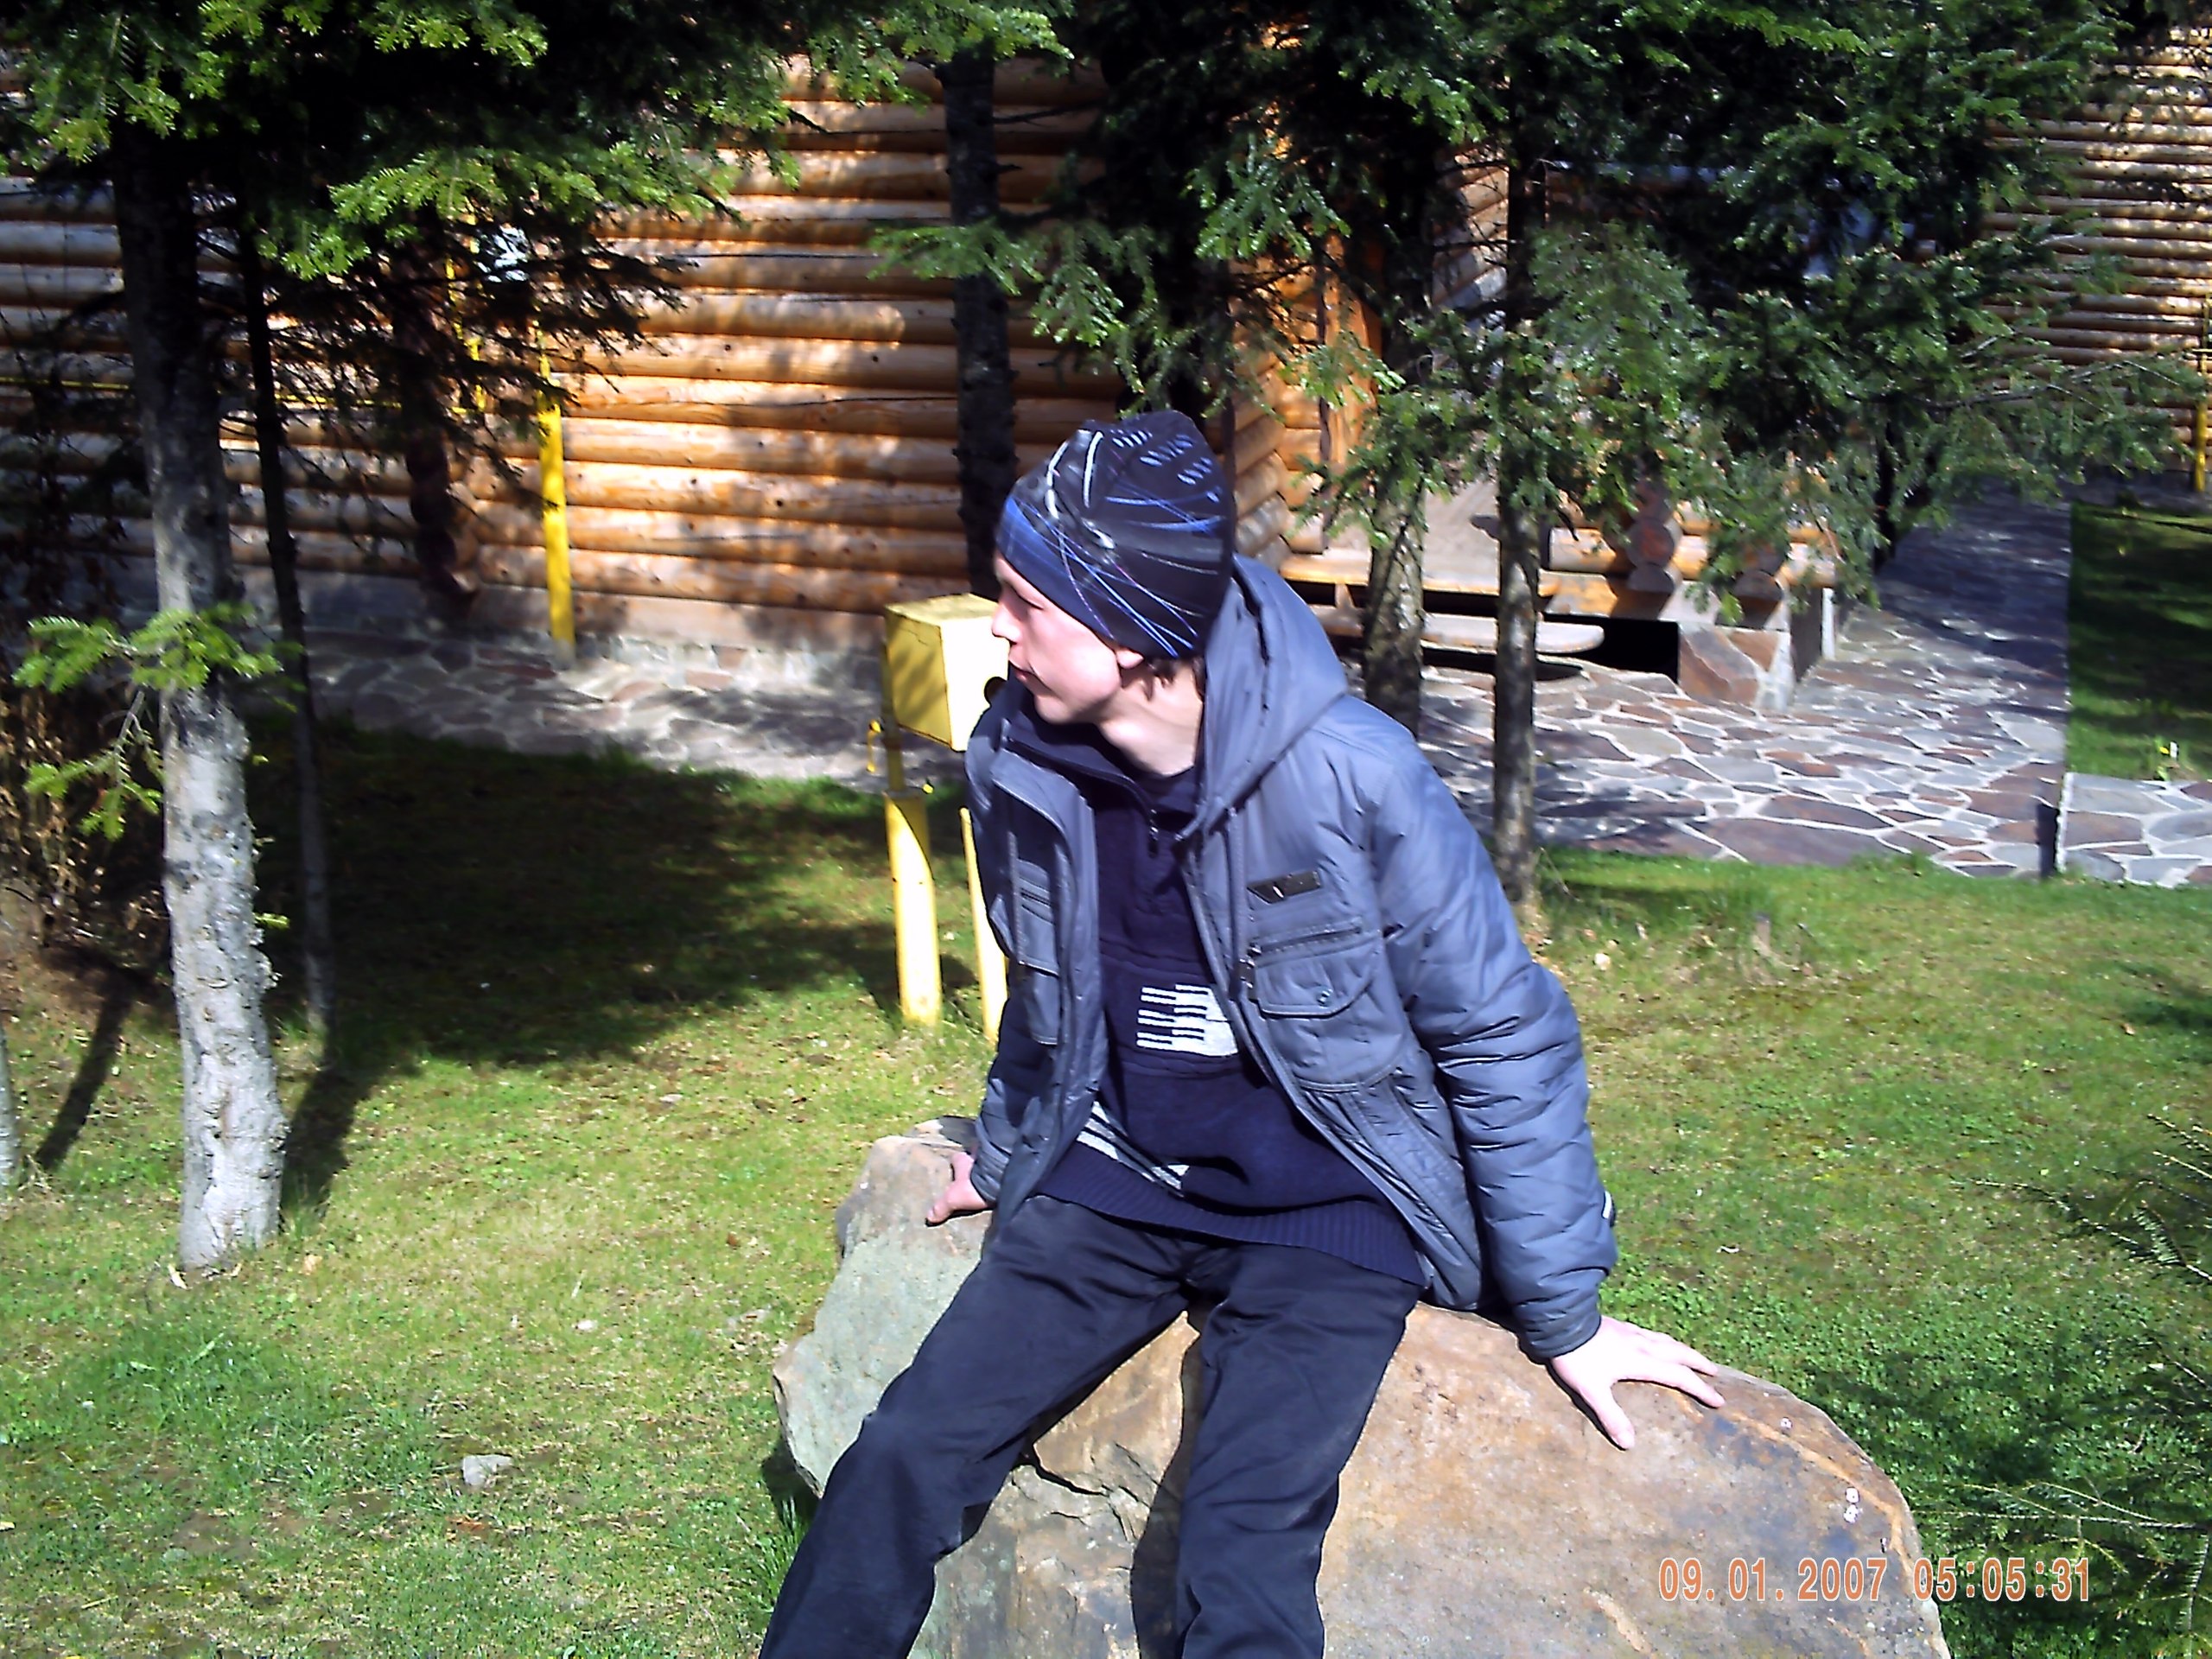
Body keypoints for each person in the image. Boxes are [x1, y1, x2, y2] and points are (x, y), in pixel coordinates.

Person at [759, 410, 1721, 1659]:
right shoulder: (1017, 756)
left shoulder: (1352, 775)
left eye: (1026, 603)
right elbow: (1050, 996)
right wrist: (1004, 1149)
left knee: (1243, 1553)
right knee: (901, 1455)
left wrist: (1566, 1315)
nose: (997, 628)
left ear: (1128, 630)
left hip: (1330, 1212)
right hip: (1120, 1178)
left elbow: (1501, 1033)